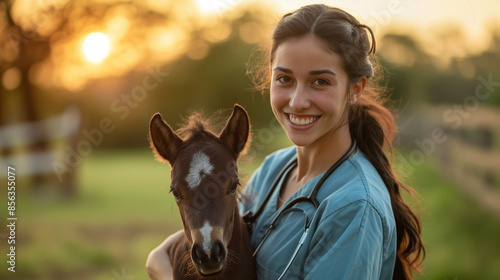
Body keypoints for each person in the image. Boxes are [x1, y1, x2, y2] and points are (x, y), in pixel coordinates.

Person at [146, 4, 424, 280]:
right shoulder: (274, 168)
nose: (298, 101)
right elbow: (209, 229)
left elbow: (162, 260)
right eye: (285, 79)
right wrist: (158, 258)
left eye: (320, 82)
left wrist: (162, 269)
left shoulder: (354, 207)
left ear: (355, 89)